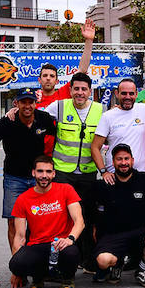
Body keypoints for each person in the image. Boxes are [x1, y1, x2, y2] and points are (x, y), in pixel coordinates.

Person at [0, 87, 56, 252]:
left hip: (38, 178)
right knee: (13, 221)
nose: (27, 105)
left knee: (40, 220)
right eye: (23, 102)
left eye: (30, 102)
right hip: (14, 179)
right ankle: (17, 263)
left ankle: (37, 261)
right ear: (16, 103)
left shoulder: (45, 119)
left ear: (36, 103)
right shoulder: (6, 122)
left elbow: (60, 137)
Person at [41, 71, 104, 258]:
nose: (79, 92)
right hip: (62, 172)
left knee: (86, 216)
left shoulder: (100, 110)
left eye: (84, 89)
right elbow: (35, 115)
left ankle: (86, 258)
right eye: (76, 88)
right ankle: (61, 257)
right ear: (70, 90)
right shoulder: (59, 106)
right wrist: (14, 110)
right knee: (61, 216)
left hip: (88, 173)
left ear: (90, 91)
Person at [7, 156, 86, 288]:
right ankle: (39, 277)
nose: (44, 176)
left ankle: (67, 278)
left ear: (54, 174)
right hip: (38, 245)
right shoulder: (23, 199)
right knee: (16, 263)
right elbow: (19, 236)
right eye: (40, 171)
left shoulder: (66, 189)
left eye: (48, 172)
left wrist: (70, 239)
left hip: (60, 243)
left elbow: (79, 221)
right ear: (33, 173)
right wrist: (16, 271)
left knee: (71, 252)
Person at [92, 144, 145, 287]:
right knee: (103, 260)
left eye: (126, 158)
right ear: (113, 162)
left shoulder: (144, 179)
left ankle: (142, 269)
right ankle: (117, 264)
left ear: (132, 160)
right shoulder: (105, 184)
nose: (123, 163)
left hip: (140, 232)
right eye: (119, 159)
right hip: (114, 235)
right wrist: (96, 229)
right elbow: (96, 212)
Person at [92, 77, 145, 175]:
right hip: (115, 176)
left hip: (141, 176)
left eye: (131, 93)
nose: (128, 97)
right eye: (124, 93)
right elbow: (95, 147)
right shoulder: (108, 116)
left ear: (136, 94)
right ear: (116, 93)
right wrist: (104, 172)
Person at [36, 20, 95, 106]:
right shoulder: (33, 99)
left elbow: (82, 70)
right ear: (39, 80)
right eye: (45, 75)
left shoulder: (63, 94)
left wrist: (89, 41)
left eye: (52, 76)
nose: (48, 78)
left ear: (57, 81)